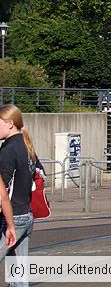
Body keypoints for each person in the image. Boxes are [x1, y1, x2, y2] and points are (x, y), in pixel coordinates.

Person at [0, 104, 42, 282]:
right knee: (19, 275)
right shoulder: (26, 145)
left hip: (12, 217)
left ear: (9, 123)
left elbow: (3, 191)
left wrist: (9, 223)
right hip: (26, 214)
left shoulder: (8, 151)